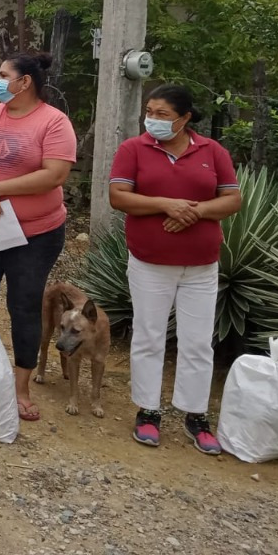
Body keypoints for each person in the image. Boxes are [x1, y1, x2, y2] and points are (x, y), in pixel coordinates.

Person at [109, 84, 242, 455]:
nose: (152, 119)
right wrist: (166, 205)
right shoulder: (133, 149)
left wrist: (194, 211)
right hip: (149, 263)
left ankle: (195, 415)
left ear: (184, 118)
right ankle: (148, 411)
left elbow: (232, 200)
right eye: (149, 112)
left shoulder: (212, 151)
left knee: (197, 343)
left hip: (201, 267)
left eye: (162, 114)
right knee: (149, 337)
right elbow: (119, 197)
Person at [0, 50, 76, 422]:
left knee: (24, 305)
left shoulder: (54, 122)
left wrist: (0, 188)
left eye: (3, 75)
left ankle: (20, 389)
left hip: (35, 234)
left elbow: (55, 174)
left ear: (24, 82)